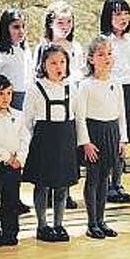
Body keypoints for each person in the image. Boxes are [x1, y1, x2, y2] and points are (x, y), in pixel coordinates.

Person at [23, 44, 80, 243]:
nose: (58, 67)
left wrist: (81, 143)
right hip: (43, 142)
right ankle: (42, 225)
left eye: (62, 62)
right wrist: (26, 147)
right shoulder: (35, 89)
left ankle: (59, 224)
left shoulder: (72, 88)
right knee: (42, 185)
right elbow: (27, 122)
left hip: (65, 140)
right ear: (43, 65)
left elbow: (78, 118)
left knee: (62, 186)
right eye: (53, 62)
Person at [34, 0, 84, 209]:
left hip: (69, 101)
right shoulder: (43, 47)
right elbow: (36, 74)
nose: (65, 27)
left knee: (67, 153)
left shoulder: (75, 47)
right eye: (61, 22)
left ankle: (64, 191)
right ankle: (46, 192)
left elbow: (80, 71)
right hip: (47, 105)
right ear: (51, 23)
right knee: (48, 154)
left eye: (69, 22)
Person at [76, 35, 127, 239]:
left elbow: (121, 113)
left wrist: (122, 139)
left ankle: (102, 220)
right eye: (101, 54)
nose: (106, 58)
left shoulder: (116, 83)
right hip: (93, 132)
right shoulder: (86, 85)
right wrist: (85, 142)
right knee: (93, 177)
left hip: (111, 131)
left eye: (109, 54)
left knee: (106, 176)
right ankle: (92, 222)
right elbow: (80, 117)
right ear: (91, 59)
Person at [0, 74, 30, 247]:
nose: (5, 98)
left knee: (11, 199)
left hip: (15, 165)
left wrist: (20, 158)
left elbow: (25, 138)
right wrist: (8, 158)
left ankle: (11, 232)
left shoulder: (18, 115)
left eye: (9, 93)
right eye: (1, 94)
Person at [100, 0, 130, 204]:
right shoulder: (105, 40)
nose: (122, 18)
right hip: (111, 89)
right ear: (108, 17)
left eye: (125, 13)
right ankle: (106, 184)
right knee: (112, 138)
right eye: (117, 14)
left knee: (123, 139)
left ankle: (118, 182)